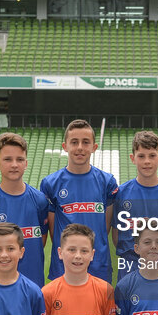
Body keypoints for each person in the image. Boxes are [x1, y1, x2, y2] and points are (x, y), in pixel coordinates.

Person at [40, 119, 119, 282]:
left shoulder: (107, 182)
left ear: (94, 147)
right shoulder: (51, 183)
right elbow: (55, 232)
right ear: (65, 146)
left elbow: (105, 227)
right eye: (74, 142)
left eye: (86, 142)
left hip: (98, 265)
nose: (80, 148)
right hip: (64, 267)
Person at [0, 132, 49, 287]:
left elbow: (42, 239)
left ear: (26, 163)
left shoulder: (40, 200)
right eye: (7, 159)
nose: (14, 164)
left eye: (19, 159)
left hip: (33, 283)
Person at [112, 130, 158, 279]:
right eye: (141, 156)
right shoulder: (121, 193)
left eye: (152, 156)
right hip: (130, 265)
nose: (147, 161)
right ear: (133, 158)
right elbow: (117, 234)